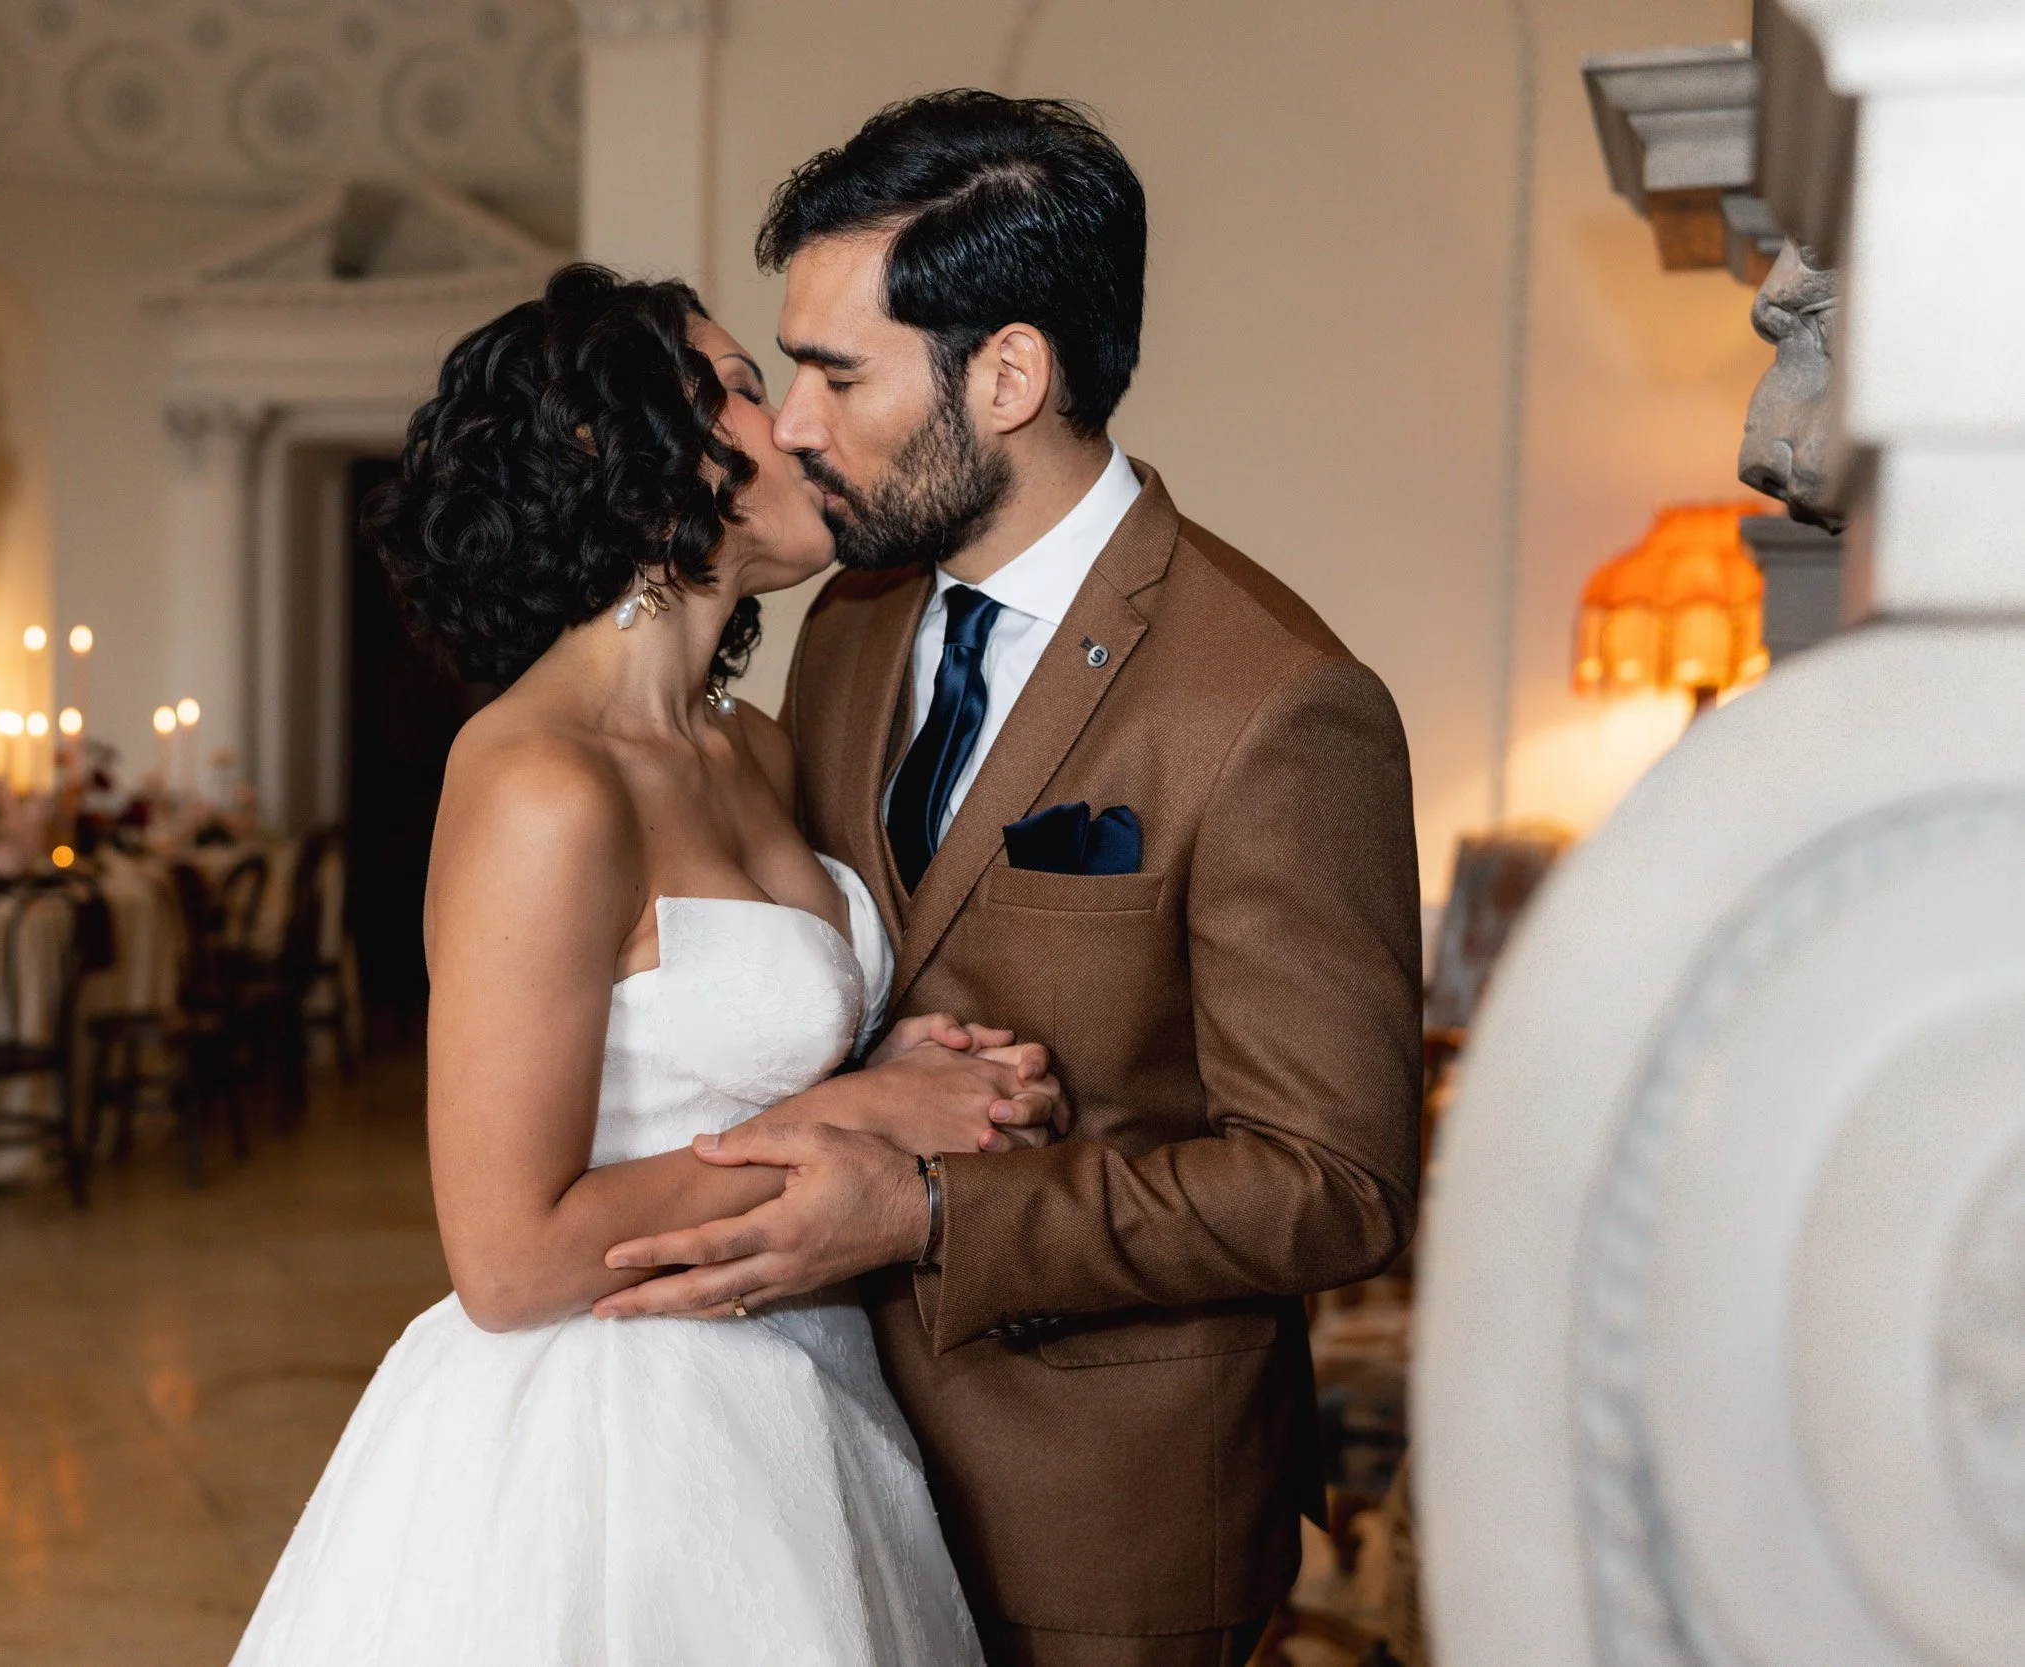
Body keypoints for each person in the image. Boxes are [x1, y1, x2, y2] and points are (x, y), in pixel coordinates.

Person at [595, 92, 1425, 1666]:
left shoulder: (1276, 700)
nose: (789, 425)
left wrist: (926, 1209)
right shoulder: (849, 624)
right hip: (810, 1480)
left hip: (1105, 1526)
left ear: (1012, 374)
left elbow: (1339, 1184)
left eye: (839, 371)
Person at [230, 264, 1065, 1666]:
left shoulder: (753, 746)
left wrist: (901, 1067)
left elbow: (719, 1048)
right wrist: (845, 1123)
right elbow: (504, 1256)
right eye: (740, 387)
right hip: (615, 1435)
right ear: (604, 452)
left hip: (807, 1388)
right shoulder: (538, 782)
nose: (797, 423)